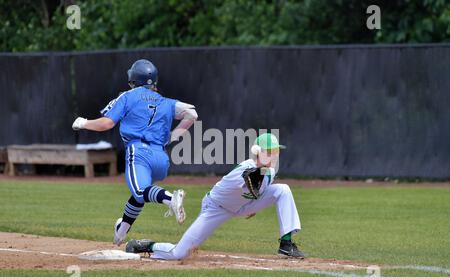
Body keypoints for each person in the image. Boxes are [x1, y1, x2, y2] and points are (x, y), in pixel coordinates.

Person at [71, 59, 198, 245]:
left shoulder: (127, 96)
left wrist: (83, 123)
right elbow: (192, 114)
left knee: (140, 191)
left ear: (133, 79)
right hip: (161, 158)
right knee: (141, 194)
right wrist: (173, 136)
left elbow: (106, 123)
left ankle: (171, 198)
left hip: (139, 152)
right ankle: (121, 232)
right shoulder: (166, 101)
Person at [126, 133, 305, 259]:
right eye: (269, 151)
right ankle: (146, 246)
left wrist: (255, 204)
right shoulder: (246, 168)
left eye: (276, 151)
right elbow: (248, 179)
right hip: (216, 208)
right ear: (257, 151)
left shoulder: (270, 171)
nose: (274, 155)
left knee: (283, 190)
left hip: (241, 206)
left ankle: (286, 244)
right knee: (179, 253)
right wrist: (254, 195)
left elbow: (260, 187)